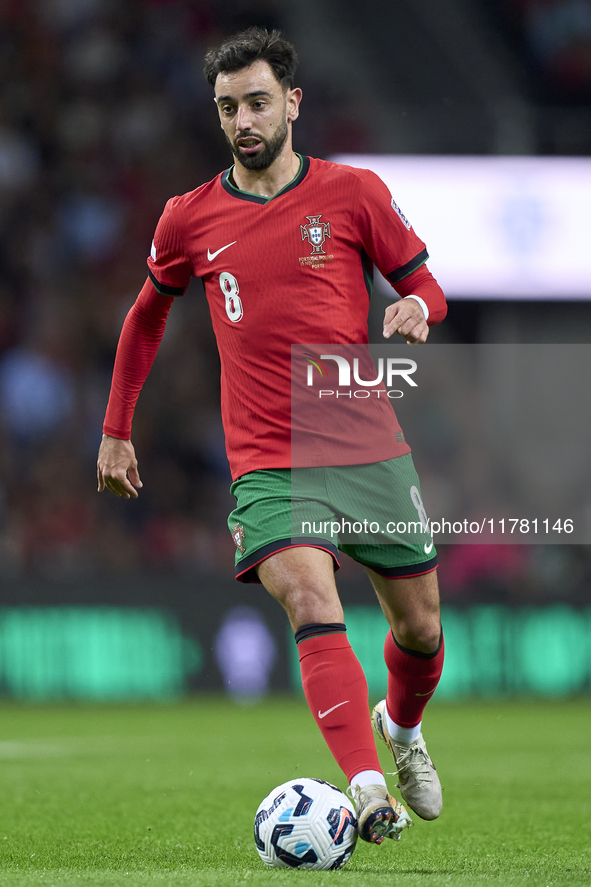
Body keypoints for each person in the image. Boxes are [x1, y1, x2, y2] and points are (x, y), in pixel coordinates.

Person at [97, 27, 447, 847]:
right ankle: (363, 789)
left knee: (421, 630)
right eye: (227, 108)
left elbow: (424, 281)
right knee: (308, 597)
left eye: (256, 102)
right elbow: (145, 316)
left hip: (365, 444)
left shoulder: (354, 193)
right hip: (267, 458)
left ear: (291, 101)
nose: (242, 120)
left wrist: (415, 308)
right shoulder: (188, 218)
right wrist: (116, 430)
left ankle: (398, 728)